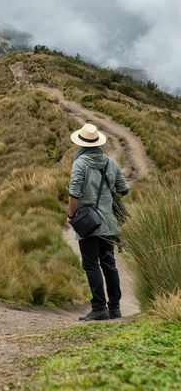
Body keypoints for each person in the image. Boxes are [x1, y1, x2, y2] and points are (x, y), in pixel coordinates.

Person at [67, 122, 130, 321]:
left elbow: (73, 193)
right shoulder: (110, 162)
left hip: (88, 222)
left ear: (82, 143)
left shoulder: (80, 163)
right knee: (109, 263)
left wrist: (71, 216)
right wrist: (106, 199)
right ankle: (115, 308)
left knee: (91, 265)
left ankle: (99, 308)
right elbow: (123, 188)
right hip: (109, 222)